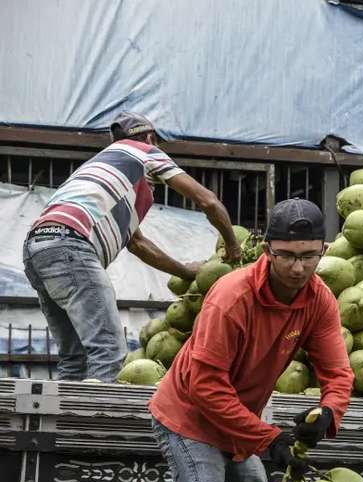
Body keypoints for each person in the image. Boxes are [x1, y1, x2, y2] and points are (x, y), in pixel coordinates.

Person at [148, 198, 354, 482]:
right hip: (188, 420)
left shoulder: (319, 300)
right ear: (266, 251)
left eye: (309, 256)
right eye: (287, 256)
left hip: (237, 423)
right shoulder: (231, 296)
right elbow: (205, 386)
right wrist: (268, 438)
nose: (298, 268)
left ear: (323, 251)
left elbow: (338, 373)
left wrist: (329, 413)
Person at [22, 111, 241, 382]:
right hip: (71, 246)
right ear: (150, 138)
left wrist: (186, 272)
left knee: (74, 356)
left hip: (38, 249)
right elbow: (207, 200)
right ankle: (101, 422)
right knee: (109, 349)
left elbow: (138, 244)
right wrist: (233, 246)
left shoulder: (106, 171)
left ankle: (66, 421)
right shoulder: (145, 152)